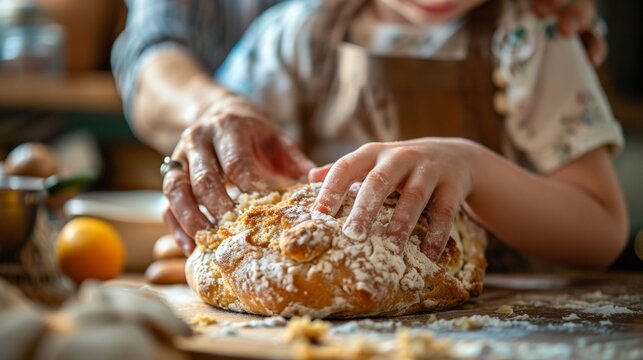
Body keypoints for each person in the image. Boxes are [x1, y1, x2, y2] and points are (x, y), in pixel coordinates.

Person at [111, 0, 621, 270]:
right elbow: (227, 153)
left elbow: (602, 229)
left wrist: (475, 168)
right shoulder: (297, 34)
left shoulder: (535, 36)